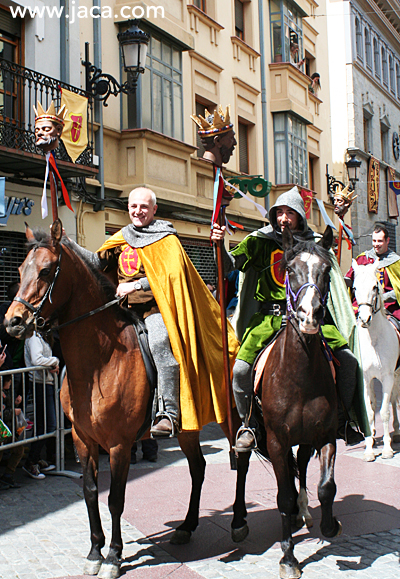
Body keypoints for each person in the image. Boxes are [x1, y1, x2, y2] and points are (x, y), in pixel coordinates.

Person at [67, 186, 239, 438]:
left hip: (156, 309)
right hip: (123, 311)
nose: (138, 211)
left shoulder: (166, 239)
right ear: (128, 208)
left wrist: (135, 285)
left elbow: (171, 277)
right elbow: (95, 262)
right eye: (134, 206)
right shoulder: (121, 237)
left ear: (154, 209)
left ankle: (168, 412)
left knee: (159, 342)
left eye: (144, 207)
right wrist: (68, 244)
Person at [211, 186, 365, 451]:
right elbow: (230, 265)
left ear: (299, 217)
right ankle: (248, 423)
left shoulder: (314, 244)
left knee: (349, 362)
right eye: (279, 213)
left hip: (311, 318)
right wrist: (219, 244)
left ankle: (343, 420)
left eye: (289, 213)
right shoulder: (259, 241)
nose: (284, 218)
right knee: (240, 370)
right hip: (268, 320)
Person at [345, 223, 400, 323]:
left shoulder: (396, 262)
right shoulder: (362, 258)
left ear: (387, 241)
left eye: (380, 241)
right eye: (374, 241)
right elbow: (350, 279)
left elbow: (398, 290)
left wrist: (383, 297)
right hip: (362, 304)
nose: (376, 244)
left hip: (388, 306)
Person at [22, 331, 59, 479]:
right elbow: (37, 359)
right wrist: (53, 361)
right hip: (40, 384)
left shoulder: (41, 336)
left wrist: (50, 364)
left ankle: (35, 459)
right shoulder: (33, 337)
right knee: (45, 425)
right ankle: (31, 462)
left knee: (47, 425)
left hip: (45, 383)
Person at [0, 375, 25, 489]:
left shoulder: (7, 392)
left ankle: (8, 475)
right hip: (3, 431)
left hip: (7, 431)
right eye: (9, 382)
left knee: (19, 450)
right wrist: (13, 412)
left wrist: (15, 403)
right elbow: (3, 413)